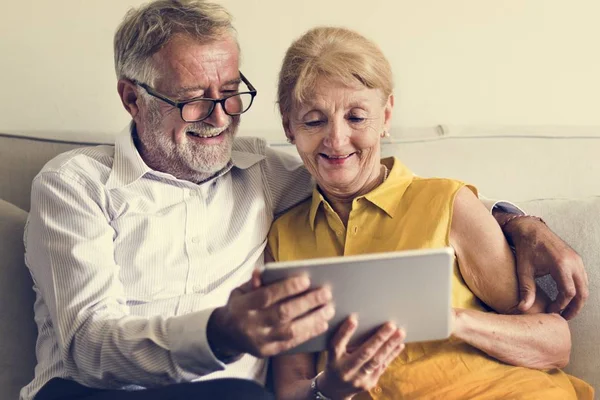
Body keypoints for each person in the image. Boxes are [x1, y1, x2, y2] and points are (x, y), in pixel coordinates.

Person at [21, 1, 588, 399]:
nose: (219, 119)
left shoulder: (263, 176)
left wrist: (523, 225)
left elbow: (387, 187)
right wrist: (226, 334)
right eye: (194, 100)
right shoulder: (75, 185)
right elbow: (88, 348)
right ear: (131, 97)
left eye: (230, 95)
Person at [268, 26, 594, 400]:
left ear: (386, 115)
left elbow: (556, 342)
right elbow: (292, 388)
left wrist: (451, 319)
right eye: (313, 120)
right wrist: (330, 388)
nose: (337, 139)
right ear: (288, 126)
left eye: (357, 117)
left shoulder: (446, 202)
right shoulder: (284, 237)